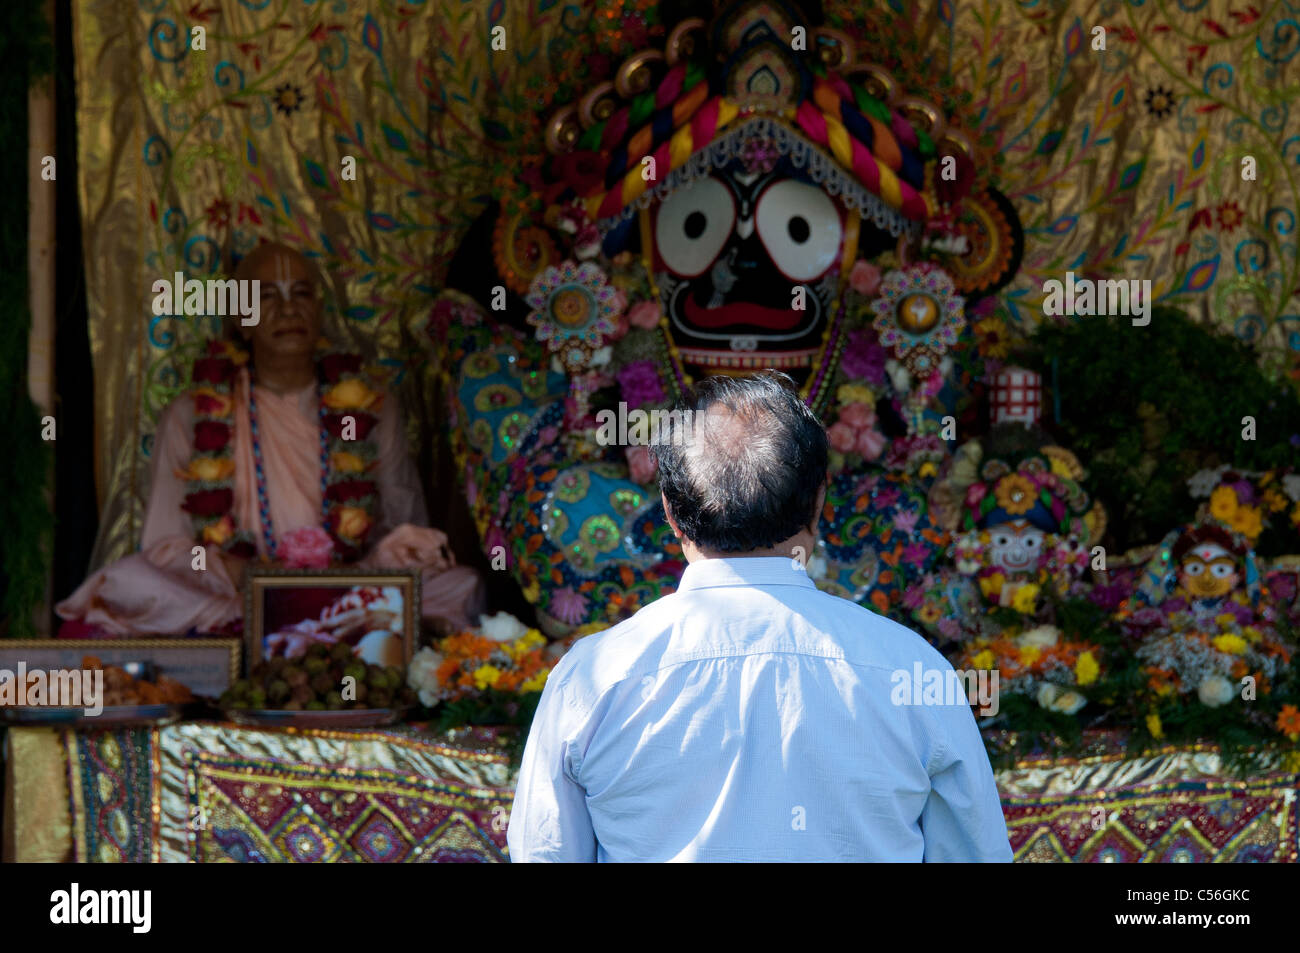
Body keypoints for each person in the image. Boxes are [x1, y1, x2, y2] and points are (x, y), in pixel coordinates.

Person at [507, 371, 1011, 862]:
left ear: (669, 511)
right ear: (819, 501)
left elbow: (544, 852)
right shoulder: (912, 670)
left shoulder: (593, 679)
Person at [57, 242, 485, 637]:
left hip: (350, 586)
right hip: (235, 591)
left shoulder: (373, 407)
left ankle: (303, 623)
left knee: (460, 585)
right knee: (129, 584)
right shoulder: (191, 413)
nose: (287, 309)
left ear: (318, 312)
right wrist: (249, 575)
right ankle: (307, 626)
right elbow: (167, 546)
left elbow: (401, 526)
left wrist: (370, 566)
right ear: (241, 321)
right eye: (266, 296)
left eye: (301, 294)